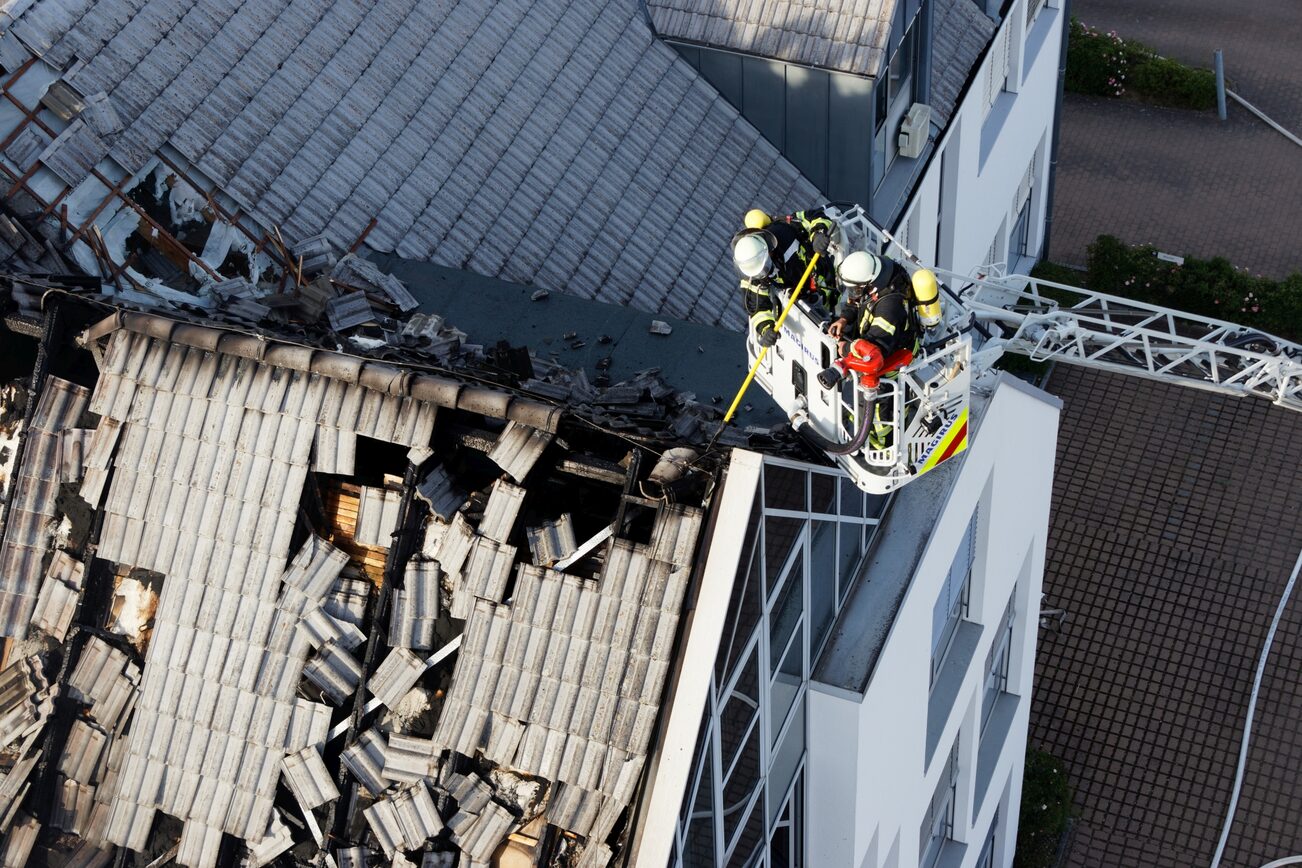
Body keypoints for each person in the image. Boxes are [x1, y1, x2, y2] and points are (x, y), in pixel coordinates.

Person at [816, 251, 924, 449]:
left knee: (882, 414)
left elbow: (876, 351)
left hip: (890, 365)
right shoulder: (875, 278)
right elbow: (855, 302)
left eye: (855, 289)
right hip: (880, 346)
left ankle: (884, 446)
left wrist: (846, 348)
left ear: (869, 285)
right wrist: (843, 319)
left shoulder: (889, 309)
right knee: (870, 407)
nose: (852, 292)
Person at [732, 207, 838, 347]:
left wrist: (818, 234)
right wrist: (765, 329)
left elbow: (813, 216)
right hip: (804, 300)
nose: (761, 276)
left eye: (763, 268)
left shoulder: (783, 232)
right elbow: (757, 308)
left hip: (824, 277)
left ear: (767, 252)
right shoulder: (751, 269)